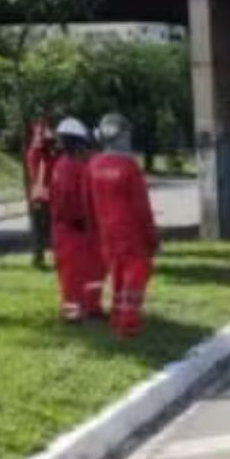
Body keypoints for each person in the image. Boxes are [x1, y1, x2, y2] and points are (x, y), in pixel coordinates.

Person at [87, 114, 159, 338]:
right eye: (127, 134)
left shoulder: (93, 165)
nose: (129, 139)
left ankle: (117, 317)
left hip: (106, 231)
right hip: (130, 232)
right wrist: (151, 237)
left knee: (117, 274)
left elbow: (87, 201)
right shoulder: (129, 167)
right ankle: (128, 323)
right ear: (120, 136)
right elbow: (141, 207)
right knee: (137, 272)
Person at [49, 118, 106, 323]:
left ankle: (92, 307)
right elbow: (68, 200)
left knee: (94, 270)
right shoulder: (66, 167)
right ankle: (73, 314)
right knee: (72, 275)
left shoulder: (76, 164)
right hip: (71, 230)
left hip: (86, 229)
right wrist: (80, 219)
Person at [23, 113, 58, 269]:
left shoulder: (47, 156)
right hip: (42, 197)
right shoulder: (38, 155)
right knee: (43, 229)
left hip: (47, 196)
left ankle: (46, 257)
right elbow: (39, 176)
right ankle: (41, 257)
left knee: (49, 229)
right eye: (48, 142)